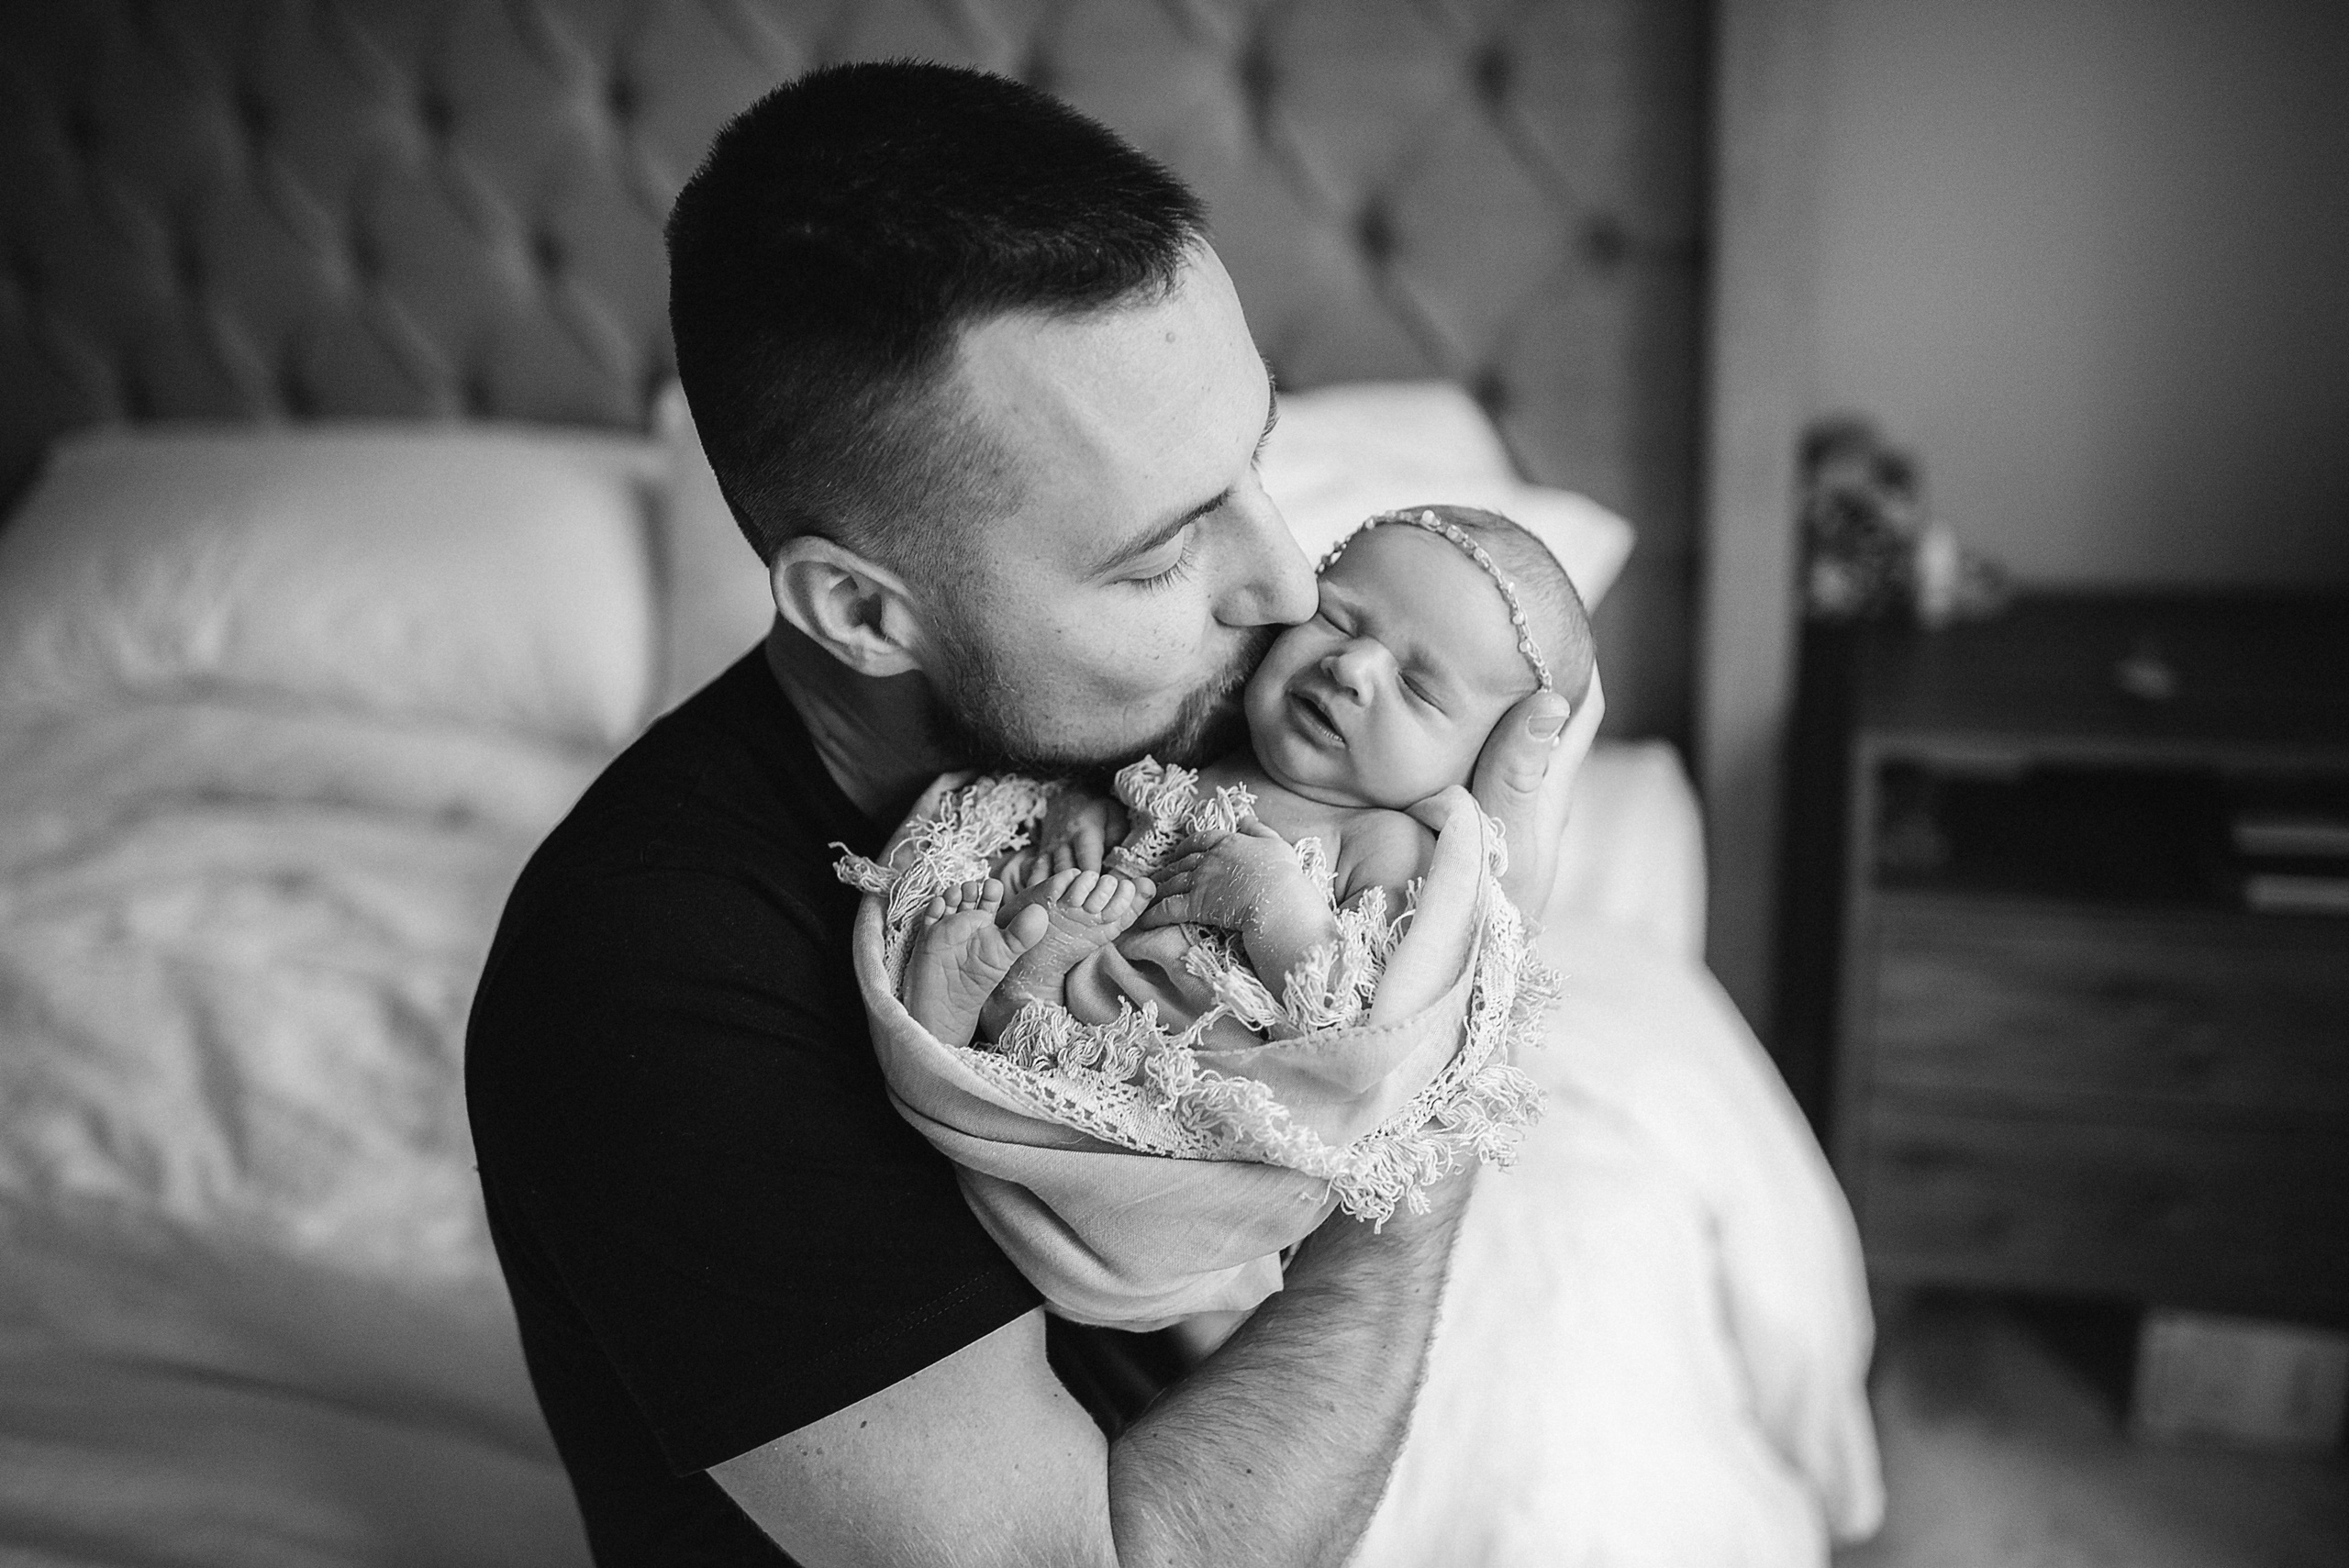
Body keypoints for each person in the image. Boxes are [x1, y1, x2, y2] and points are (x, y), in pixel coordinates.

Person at [464, 61, 1601, 1568]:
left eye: (1255, 464)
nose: (1280, 587)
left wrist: (1466, 909)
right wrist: (1431, 1100)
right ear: (865, 608)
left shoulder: (1231, 742)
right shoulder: (646, 978)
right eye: (1154, 555)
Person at [903, 504, 1595, 1054]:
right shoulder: (1220, 734)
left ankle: (989, 1011)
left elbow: (1362, 1028)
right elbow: (1122, 796)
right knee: (1014, 895)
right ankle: (974, 1011)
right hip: (1090, 979)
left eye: (1417, 687)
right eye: (1337, 618)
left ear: (1478, 761)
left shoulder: (1388, 845)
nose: (1351, 668)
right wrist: (1080, 815)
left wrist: (1273, 905)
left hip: (1193, 1068)